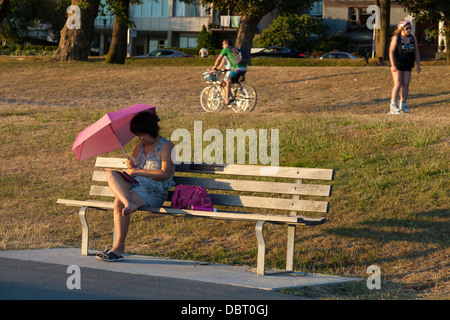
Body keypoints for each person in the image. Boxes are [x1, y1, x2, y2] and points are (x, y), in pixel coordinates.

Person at [96, 111, 175, 262]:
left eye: (142, 134)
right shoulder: (139, 147)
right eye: (137, 135)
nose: (140, 138)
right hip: (137, 186)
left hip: (155, 191)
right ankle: (128, 203)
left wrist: (139, 171)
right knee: (111, 174)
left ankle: (118, 248)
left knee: (118, 203)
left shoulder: (167, 146)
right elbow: (134, 170)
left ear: (151, 130)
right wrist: (130, 166)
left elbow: (165, 174)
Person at [388, 19, 421, 115]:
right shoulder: (396, 38)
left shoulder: (412, 38)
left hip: (408, 64)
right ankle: (393, 105)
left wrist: (418, 65)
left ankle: (403, 105)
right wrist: (393, 65)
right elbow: (391, 52)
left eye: (410, 28)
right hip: (397, 64)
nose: (409, 30)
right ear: (402, 29)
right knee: (398, 83)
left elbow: (416, 52)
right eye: (407, 28)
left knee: (406, 84)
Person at [212, 39, 247, 105]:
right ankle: (242, 93)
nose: (222, 46)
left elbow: (218, 59)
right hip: (244, 68)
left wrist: (214, 67)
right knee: (235, 81)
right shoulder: (235, 49)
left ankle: (227, 100)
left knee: (227, 82)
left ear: (226, 44)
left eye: (223, 44)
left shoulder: (225, 50)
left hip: (236, 68)